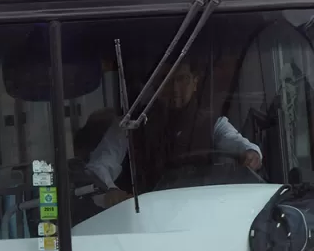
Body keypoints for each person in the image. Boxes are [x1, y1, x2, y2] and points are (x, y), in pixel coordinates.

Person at [84, 57, 262, 194]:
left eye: (182, 79)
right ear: (155, 84)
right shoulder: (130, 124)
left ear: (195, 82)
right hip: (144, 219)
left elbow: (237, 143)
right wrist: (112, 192)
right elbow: (99, 166)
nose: (175, 89)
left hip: (202, 215)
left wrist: (251, 153)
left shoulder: (213, 123)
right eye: (165, 79)